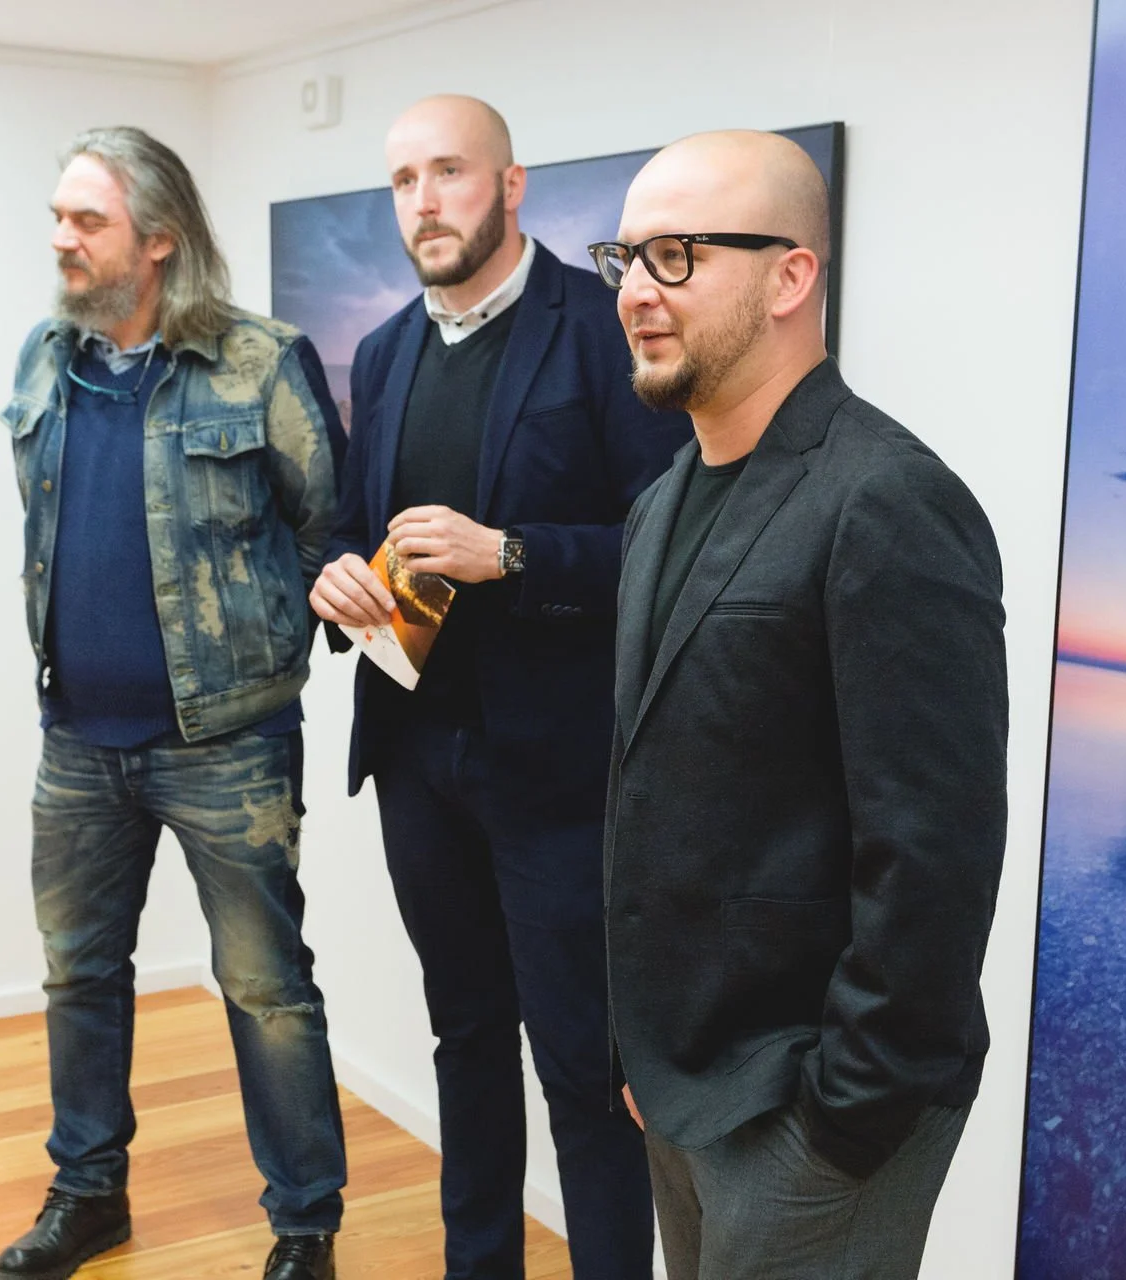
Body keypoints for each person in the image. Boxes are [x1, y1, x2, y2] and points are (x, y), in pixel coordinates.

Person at [593, 130, 1009, 1279]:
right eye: (624, 258)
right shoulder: (663, 497)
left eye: (675, 256)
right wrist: (649, 1045)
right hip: (684, 1081)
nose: (635, 291)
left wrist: (844, 1114)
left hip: (812, 1109)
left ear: (791, 276)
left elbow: (935, 848)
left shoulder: (889, 498)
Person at [308, 95, 690, 1279]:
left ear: (512, 186)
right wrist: (334, 578)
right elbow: (354, 529)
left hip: (561, 774)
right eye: (405, 180)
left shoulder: (601, 325)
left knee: (585, 1067)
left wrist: (512, 552)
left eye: (451, 173)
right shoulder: (382, 352)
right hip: (420, 762)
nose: (425, 201)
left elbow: (680, 544)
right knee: (466, 1040)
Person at [0, 125, 346, 1280]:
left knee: (264, 987)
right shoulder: (45, 358)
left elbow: (324, 529)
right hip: (76, 742)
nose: (62, 239)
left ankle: (306, 1227)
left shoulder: (259, 361)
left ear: (158, 240)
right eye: (58, 216)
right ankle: (87, 1191)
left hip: (226, 744)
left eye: (85, 221)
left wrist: (263, 650)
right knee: (78, 976)